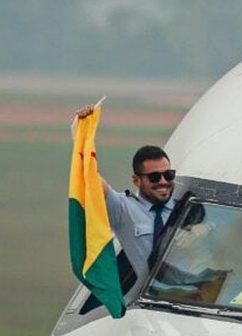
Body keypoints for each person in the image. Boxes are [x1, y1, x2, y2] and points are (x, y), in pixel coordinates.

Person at [74, 104, 176, 284]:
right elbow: (92, 178)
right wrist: (81, 132)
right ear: (136, 180)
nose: (163, 181)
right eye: (154, 177)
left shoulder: (186, 208)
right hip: (158, 294)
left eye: (168, 175)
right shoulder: (123, 210)